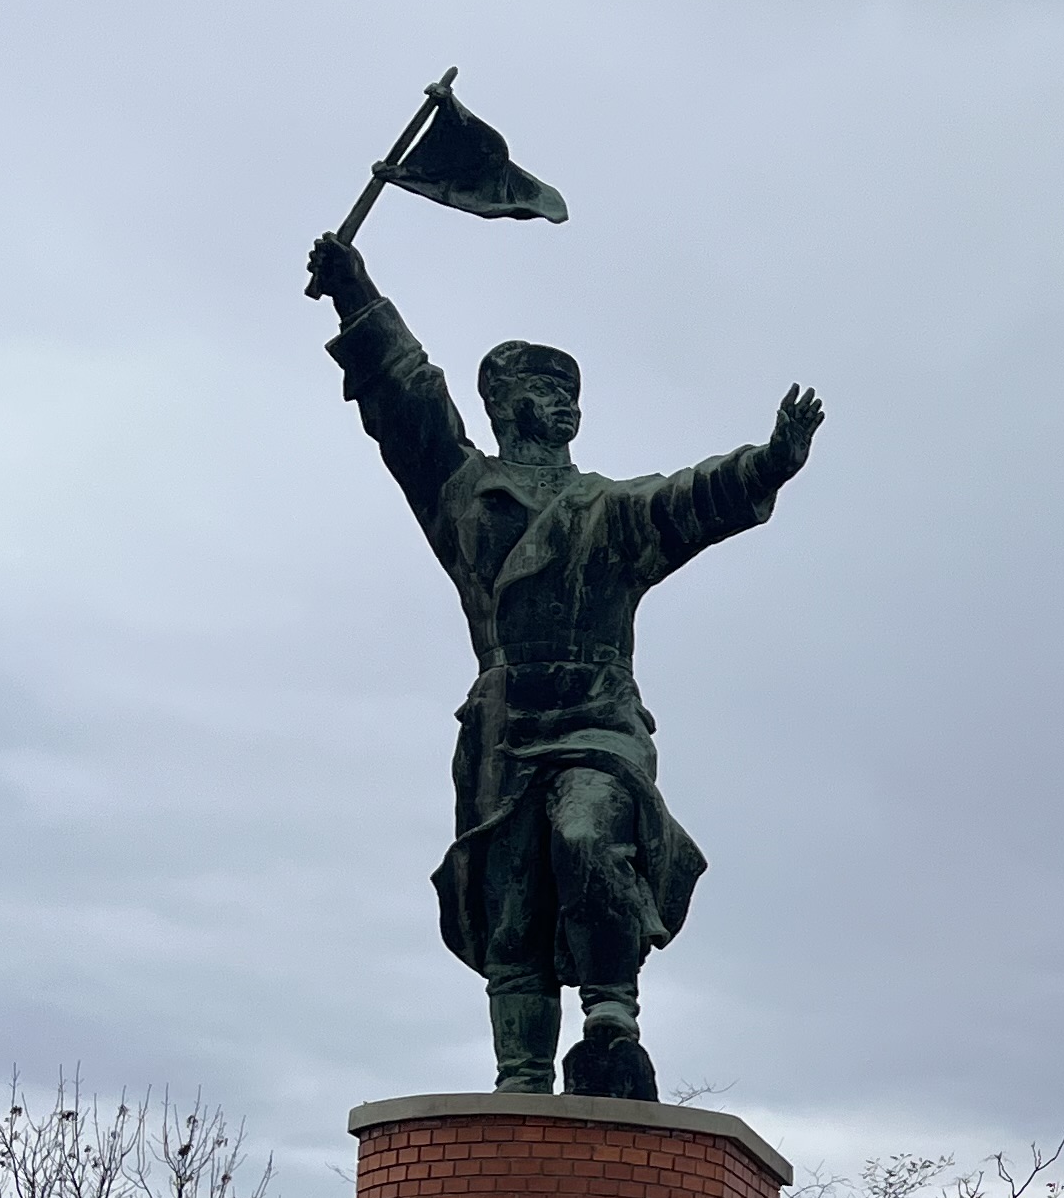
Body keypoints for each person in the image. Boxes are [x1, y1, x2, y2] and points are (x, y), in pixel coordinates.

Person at [305, 231, 821, 1099]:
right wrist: (356, 297)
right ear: (504, 404)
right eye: (545, 390)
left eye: (571, 392)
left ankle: (613, 1017)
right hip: (504, 729)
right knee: (512, 906)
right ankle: (520, 1082)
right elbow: (406, 399)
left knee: (588, 836)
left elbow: (688, 498)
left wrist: (768, 463)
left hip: (596, 719)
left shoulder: (606, 509)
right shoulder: (462, 492)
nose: (564, 405)